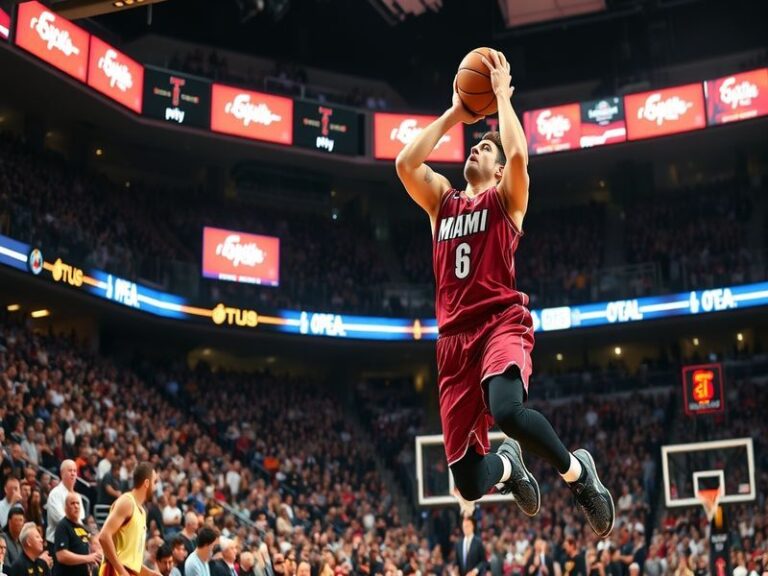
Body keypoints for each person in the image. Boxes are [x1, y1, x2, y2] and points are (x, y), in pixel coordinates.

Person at [394, 48, 614, 538]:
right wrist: (456, 112)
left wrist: (500, 98)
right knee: (470, 483)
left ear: (497, 172)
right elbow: (406, 163)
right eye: (475, 146)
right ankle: (511, 467)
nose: (476, 149)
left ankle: (578, 475)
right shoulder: (442, 202)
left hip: (499, 323)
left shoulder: (506, 199)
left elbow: (518, 155)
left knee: (508, 411)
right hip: (453, 342)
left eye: (485, 149)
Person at [97, 462, 160, 576]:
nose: (156, 488)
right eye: (154, 482)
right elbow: (104, 536)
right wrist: (121, 571)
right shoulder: (127, 502)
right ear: (146, 483)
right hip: (113, 572)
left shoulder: (142, 512)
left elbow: (130, 561)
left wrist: (149, 573)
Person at [53, 492, 101, 576]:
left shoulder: (82, 526)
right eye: (72, 503)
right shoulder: (63, 526)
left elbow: (93, 544)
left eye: (78, 503)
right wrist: (87, 558)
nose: (76, 506)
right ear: (65, 508)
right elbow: (61, 555)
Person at [47, 462, 84, 546]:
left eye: (75, 471)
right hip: (56, 542)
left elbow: (80, 518)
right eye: (70, 470)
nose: (73, 473)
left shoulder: (77, 496)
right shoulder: (55, 494)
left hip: (74, 542)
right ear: (62, 473)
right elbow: (60, 519)